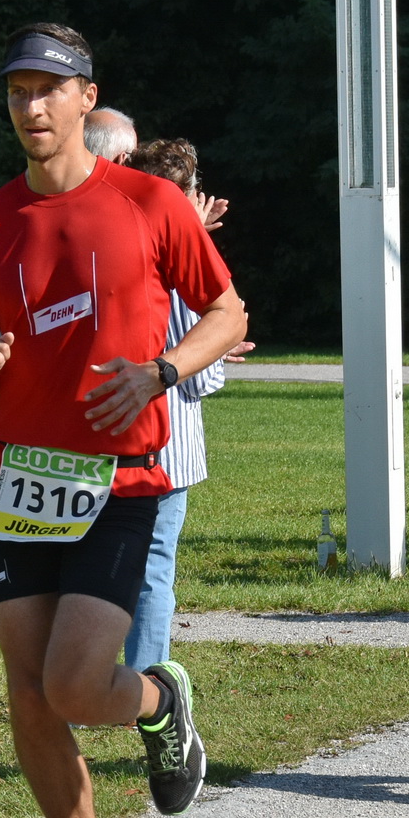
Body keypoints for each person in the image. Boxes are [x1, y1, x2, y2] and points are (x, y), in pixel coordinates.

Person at [0, 23, 248, 818]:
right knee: (29, 694)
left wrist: (162, 372)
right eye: (18, 91)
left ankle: (159, 701)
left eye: (49, 89)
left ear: (86, 98)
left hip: (121, 479)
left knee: (71, 683)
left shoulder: (149, 203)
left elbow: (227, 312)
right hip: (20, 482)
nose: (31, 106)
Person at [81, 115, 237, 669]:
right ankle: (149, 686)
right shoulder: (179, 263)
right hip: (166, 450)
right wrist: (215, 351)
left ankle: (86, 681)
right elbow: (203, 376)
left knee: (91, 570)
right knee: (152, 572)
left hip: (99, 438)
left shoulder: (102, 243)